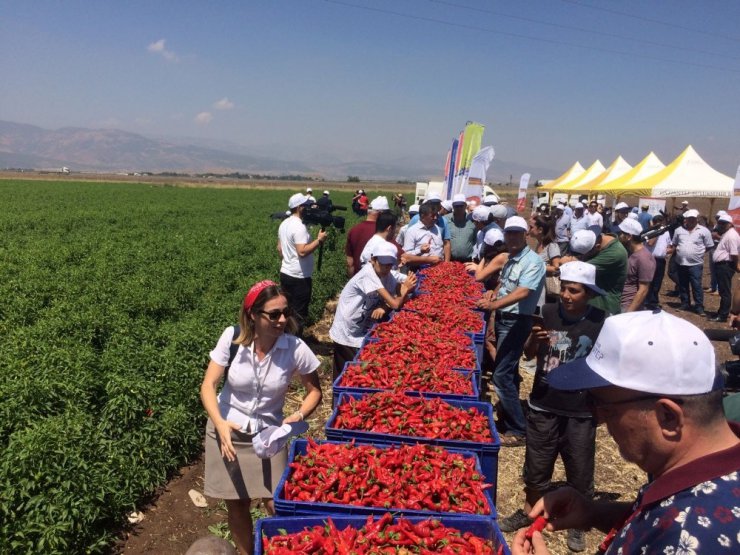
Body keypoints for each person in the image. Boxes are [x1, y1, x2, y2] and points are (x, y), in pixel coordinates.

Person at [512, 310, 739, 555]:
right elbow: (656, 519)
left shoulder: (688, 539)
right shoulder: (700, 466)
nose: (598, 419)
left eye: (603, 407)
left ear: (668, 417)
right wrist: (592, 512)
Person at [200, 281, 323, 554]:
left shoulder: (295, 348)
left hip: (269, 435)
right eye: (274, 314)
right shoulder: (232, 339)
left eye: (285, 312)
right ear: (253, 315)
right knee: (237, 502)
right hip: (227, 431)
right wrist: (219, 424)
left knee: (276, 502)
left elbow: (315, 391)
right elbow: (208, 386)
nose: (282, 320)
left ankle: (285, 549)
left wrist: (299, 414)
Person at [499, 261, 607, 553]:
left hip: (581, 407)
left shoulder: (600, 321)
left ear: (588, 294)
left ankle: (577, 523)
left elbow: (606, 363)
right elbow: (529, 353)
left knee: (580, 469)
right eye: (564, 289)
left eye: (574, 291)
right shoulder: (547, 313)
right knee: (537, 464)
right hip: (545, 402)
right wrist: (534, 339)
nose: (567, 296)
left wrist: (602, 405)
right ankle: (528, 509)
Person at [476, 216, 546, 444]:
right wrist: (493, 293)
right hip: (505, 318)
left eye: (517, 233)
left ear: (525, 235)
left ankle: (518, 429)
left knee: (501, 375)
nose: (513, 237)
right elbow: (506, 285)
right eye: (509, 233)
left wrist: (494, 305)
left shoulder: (533, 262)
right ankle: (507, 419)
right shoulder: (510, 258)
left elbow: (524, 291)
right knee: (508, 371)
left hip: (517, 321)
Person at [330, 241, 417, 382]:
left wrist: (385, 306)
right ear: (373, 259)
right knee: (347, 375)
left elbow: (399, 297)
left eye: (389, 264)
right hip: (347, 329)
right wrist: (405, 289)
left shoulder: (387, 275)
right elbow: (396, 302)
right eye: (383, 263)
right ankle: (338, 402)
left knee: (359, 372)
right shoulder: (368, 274)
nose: (386, 268)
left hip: (362, 327)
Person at [277, 193, 327, 331]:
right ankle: (295, 343)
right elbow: (302, 251)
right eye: (305, 205)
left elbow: (279, 248)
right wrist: (319, 240)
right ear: (299, 207)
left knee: (287, 310)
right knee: (298, 314)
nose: (308, 208)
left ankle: (285, 338)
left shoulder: (284, 223)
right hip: (299, 277)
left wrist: (288, 261)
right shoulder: (299, 226)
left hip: (286, 273)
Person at [562, 228, 628, 315]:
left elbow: (577, 270)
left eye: (581, 256)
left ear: (597, 247)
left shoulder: (615, 254)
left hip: (603, 307)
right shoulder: (596, 239)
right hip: (589, 304)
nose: (579, 258)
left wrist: (567, 262)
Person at [672, 209, 714, 316]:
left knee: (696, 285)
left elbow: (709, 246)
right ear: (686, 219)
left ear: (696, 219)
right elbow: (675, 244)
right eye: (689, 218)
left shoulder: (704, 231)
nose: (691, 220)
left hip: (695, 264)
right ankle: (685, 303)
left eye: (693, 219)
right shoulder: (679, 230)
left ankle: (699, 306)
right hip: (681, 262)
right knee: (683, 284)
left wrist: (698, 254)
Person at [345, 196, 389, 277]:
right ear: (380, 214)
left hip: (358, 279)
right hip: (376, 281)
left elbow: (350, 263)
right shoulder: (383, 232)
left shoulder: (353, 230)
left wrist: (352, 280)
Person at [617, 218, 655, 312]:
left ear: (629, 236)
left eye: (622, 233)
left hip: (627, 306)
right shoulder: (628, 252)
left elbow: (643, 290)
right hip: (618, 303)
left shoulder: (644, 258)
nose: (619, 236)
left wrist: (629, 313)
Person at [709, 214, 740, 322]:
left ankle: (722, 315)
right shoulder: (727, 234)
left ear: (730, 224)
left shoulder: (731, 236)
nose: (721, 225)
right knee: (723, 290)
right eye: (720, 223)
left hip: (725, 265)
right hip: (722, 265)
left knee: (725, 291)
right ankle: (721, 312)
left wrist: (736, 265)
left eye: (724, 223)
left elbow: (734, 254)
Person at [529, 215, 561, 307]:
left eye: (531, 227)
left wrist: (539, 266)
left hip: (546, 290)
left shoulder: (552, 246)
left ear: (540, 230)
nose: (529, 229)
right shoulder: (539, 244)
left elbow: (556, 269)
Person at [402, 203, 445, 267]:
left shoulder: (437, 228)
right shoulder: (412, 231)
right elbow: (406, 256)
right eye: (432, 216)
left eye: (436, 215)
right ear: (422, 216)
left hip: (438, 270)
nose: (436, 218)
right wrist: (420, 251)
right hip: (420, 270)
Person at [644, 214, 671, 310]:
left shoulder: (666, 233)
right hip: (650, 259)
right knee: (649, 281)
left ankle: (654, 301)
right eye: (658, 224)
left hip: (660, 260)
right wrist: (657, 232)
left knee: (657, 282)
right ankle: (646, 301)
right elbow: (650, 243)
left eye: (662, 224)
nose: (661, 226)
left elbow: (669, 245)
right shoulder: (650, 232)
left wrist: (667, 251)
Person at [446, 193, 477, 262]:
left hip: (467, 261)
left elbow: (475, 241)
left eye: (461, 206)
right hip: (450, 261)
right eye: (457, 206)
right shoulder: (445, 220)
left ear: (466, 206)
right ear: (453, 206)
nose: (459, 208)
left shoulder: (472, 221)